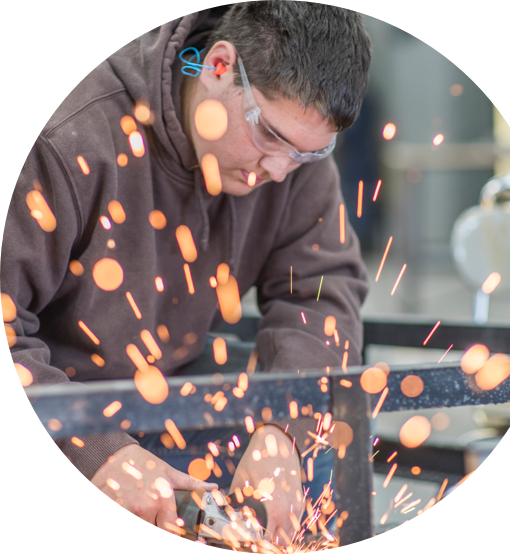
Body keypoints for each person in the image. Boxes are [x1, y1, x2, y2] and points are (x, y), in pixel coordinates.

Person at [1, 1, 371, 543]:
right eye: (268, 136)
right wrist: (94, 451)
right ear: (219, 66)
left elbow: (321, 292)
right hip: (58, 409)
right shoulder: (69, 138)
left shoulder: (291, 156)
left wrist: (282, 431)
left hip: (173, 407)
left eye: (307, 154)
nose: (279, 170)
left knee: (311, 463)